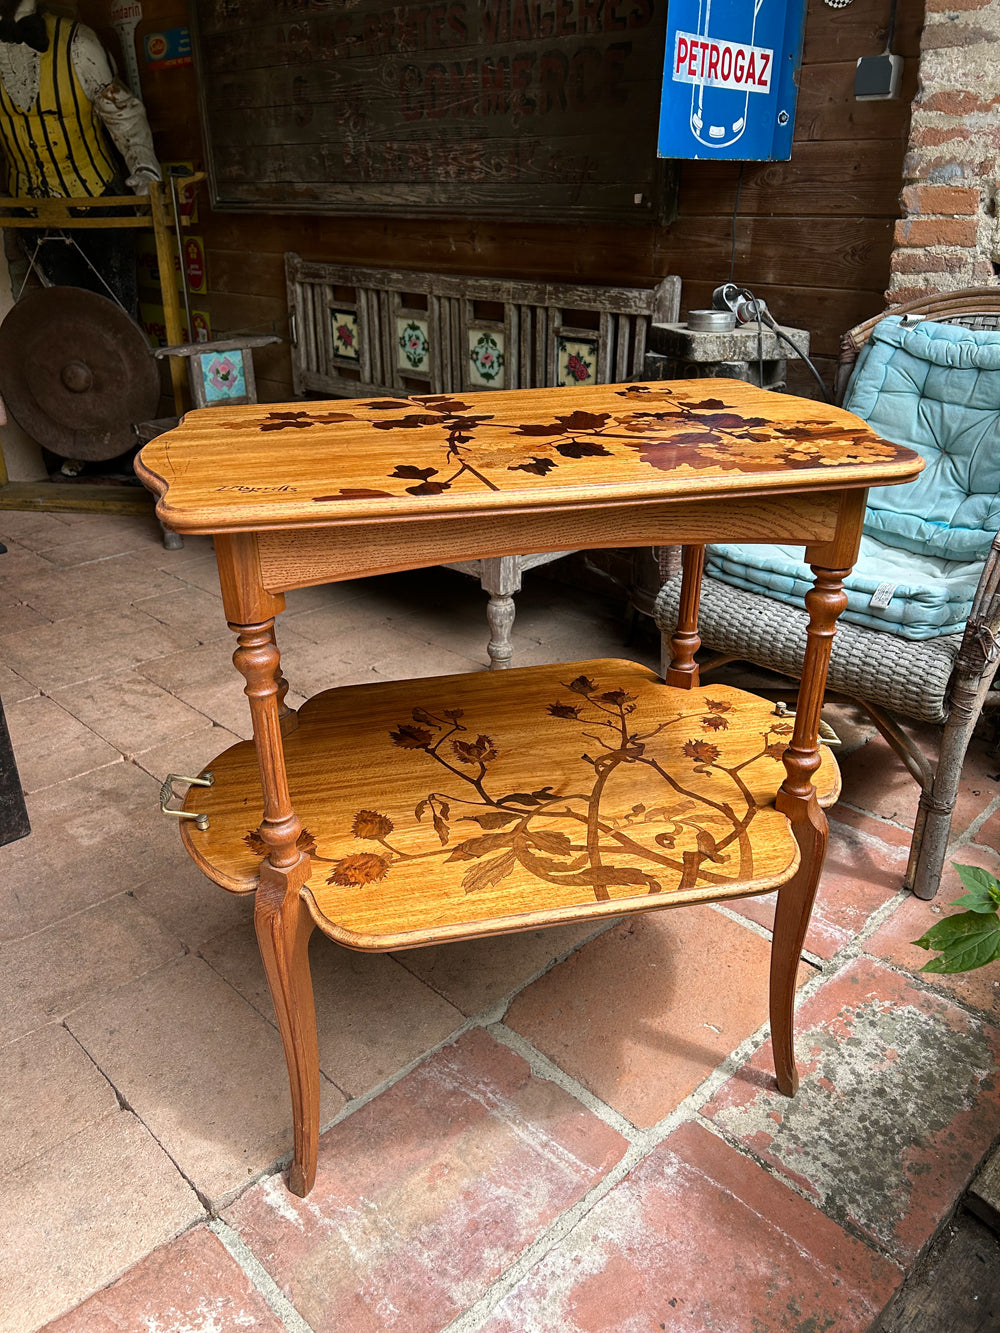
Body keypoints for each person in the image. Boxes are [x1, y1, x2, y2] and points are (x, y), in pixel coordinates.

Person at [0, 0, 161, 307]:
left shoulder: (79, 44)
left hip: (98, 202)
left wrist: (144, 170)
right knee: (62, 318)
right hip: (31, 211)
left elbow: (123, 114)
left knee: (115, 318)